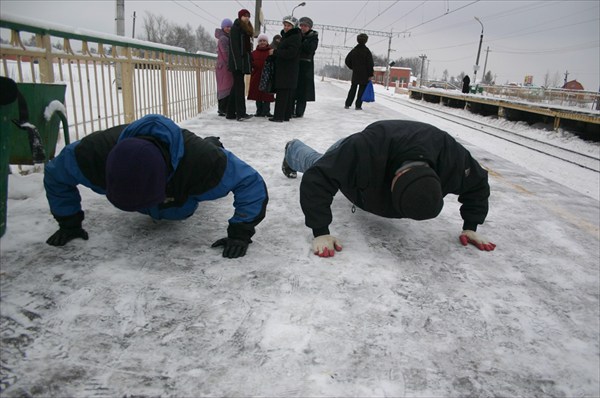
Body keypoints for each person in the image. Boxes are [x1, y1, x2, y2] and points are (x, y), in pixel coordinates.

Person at [43, 114, 269, 258]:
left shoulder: (205, 164)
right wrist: (68, 222)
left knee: (180, 208)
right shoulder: (90, 155)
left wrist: (240, 233)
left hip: (186, 168)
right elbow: (56, 175)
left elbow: (249, 182)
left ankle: (212, 141)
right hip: (167, 163)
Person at [281, 120, 496, 257]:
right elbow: (317, 179)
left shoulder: (452, 159)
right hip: (352, 149)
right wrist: (320, 231)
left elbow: (477, 184)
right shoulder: (364, 150)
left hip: (402, 145)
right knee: (317, 163)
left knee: (327, 166)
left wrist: (471, 226)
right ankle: (293, 149)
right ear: (394, 179)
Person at [268, 16, 301, 123]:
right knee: (286, 93)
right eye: (285, 25)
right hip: (287, 70)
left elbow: (291, 53)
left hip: (287, 70)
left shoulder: (294, 37)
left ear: (294, 26)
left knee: (282, 93)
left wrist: (275, 52)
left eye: (289, 26)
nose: (286, 27)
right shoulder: (290, 36)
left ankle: (279, 116)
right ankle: (285, 115)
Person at [226, 9, 254, 121]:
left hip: (242, 62)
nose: (246, 18)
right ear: (240, 17)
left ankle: (230, 113)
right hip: (237, 63)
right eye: (244, 16)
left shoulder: (245, 30)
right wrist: (238, 63)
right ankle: (241, 113)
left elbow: (247, 49)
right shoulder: (236, 28)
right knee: (239, 87)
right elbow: (234, 47)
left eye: (248, 16)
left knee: (236, 87)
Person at [293, 16, 319, 118]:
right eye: (301, 25)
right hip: (295, 65)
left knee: (303, 91)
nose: (303, 28)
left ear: (309, 27)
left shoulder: (313, 37)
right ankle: (291, 110)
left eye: (305, 26)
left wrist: (301, 42)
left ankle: (299, 112)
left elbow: (310, 49)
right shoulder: (296, 35)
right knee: (293, 89)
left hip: (306, 67)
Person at [344, 33, 374, 111]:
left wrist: (353, 67)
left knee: (353, 89)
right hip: (364, 74)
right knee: (361, 90)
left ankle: (347, 104)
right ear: (366, 41)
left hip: (356, 73)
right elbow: (370, 64)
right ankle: (358, 106)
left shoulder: (354, 51)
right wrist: (370, 74)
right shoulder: (367, 52)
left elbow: (347, 60)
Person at [248, 33, 275, 117]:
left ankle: (266, 111)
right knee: (258, 94)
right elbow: (250, 63)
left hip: (268, 76)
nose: (262, 42)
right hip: (257, 75)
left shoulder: (271, 52)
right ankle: (259, 111)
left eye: (264, 41)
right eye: (260, 41)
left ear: (267, 42)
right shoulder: (254, 53)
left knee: (267, 94)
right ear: (258, 42)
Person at [215, 18, 234, 116]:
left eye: (230, 27)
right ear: (223, 27)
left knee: (224, 87)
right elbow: (225, 53)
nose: (229, 29)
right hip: (224, 67)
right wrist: (230, 63)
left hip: (222, 66)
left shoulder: (226, 37)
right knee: (225, 87)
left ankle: (223, 108)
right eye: (227, 27)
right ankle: (222, 108)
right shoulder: (223, 38)